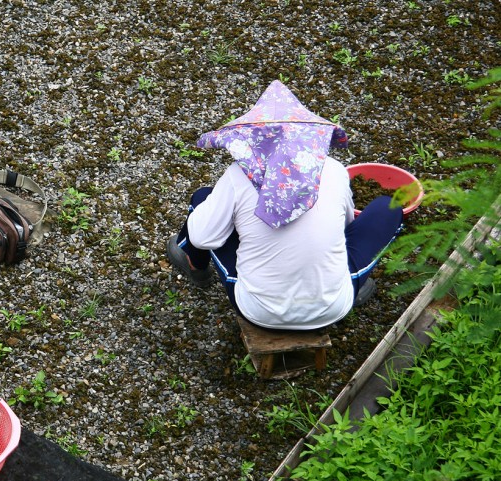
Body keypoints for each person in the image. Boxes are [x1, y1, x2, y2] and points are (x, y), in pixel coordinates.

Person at [167, 81, 403, 331]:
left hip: (259, 310)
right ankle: (355, 280)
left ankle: (197, 268)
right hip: (333, 306)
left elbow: (203, 237)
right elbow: (345, 228)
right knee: (388, 207)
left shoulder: (238, 176)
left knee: (203, 198)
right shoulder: (333, 169)